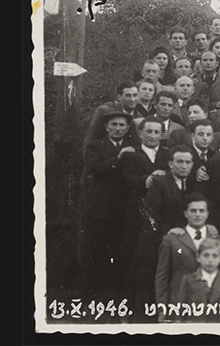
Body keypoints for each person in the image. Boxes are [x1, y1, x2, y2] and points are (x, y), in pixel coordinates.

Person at [131, 144, 198, 319]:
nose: (184, 166)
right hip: (154, 239)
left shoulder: (191, 182)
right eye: (180, 162)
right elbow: (151, 213)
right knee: (150, 286)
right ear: (170, 164)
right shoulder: (160, 182)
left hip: (177, 242)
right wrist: (168, 230)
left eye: (188, 162)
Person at [79, 111, 136, 306]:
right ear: (106, 127)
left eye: (122, 125)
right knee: (94, 254)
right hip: (98, 210)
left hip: (121, 209)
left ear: (127, 128)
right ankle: (89, 301)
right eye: (114, 125)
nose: (118, 128)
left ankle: (109, 300)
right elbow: (95, 168)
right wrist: (118, 159)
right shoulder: (95, 145)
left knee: (116, 256)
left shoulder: (132, 147)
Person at [120, 116, 170, 299]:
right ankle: (130, 303)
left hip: (159, 213)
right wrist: (148, 179)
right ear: (140, 133)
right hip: (137, 211)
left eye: (157, 132)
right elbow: (129, 180)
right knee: (134, 257)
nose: (152, 135)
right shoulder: (131, 154)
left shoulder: (167, 154)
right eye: (148, 131)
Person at [154, 193, 220, 322]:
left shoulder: (217, 239)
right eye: (193, 210)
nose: (197, 214)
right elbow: (162, 277)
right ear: (186, 213)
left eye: (202, 211)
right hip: (180, 305)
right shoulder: (171, 240)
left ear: (207, 214)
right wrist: (162, 310)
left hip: (210, 307)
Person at [177, 237, 220, 323]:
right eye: (206, 255)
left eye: (215, 256)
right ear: (198, 257)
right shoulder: (188, 280)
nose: (210, 260)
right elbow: (180, 312)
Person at [83, 80, 142, 150]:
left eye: (135, 95)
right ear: (119, 97)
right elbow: (91, 139)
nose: (132, 99)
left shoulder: (139, 116)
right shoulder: (105, 111)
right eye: (128, 95)